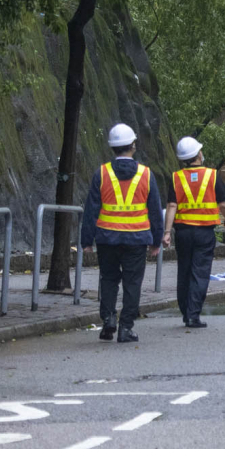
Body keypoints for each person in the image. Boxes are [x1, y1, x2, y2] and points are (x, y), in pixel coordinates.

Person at [81, 123, 163, 343]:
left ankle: (108, 319)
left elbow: (91, 209)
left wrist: (86, 240)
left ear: (112, 148)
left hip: (107, 238)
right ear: (133, 145)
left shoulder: (102, 173)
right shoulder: (146, 174)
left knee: (108, 280)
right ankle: (126, 328)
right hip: (137, 239)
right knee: (132, 283)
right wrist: (157, 241)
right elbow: (155, 211)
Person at [162, 136, 225, 329]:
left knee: (184, 271)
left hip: (183, 232)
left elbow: (171, 205)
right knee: (200, 272)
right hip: (204, 233)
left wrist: (167, 232)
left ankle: (186, 312)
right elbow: (224, 204)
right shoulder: (212, 175)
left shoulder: (177, 178)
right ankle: (193, 315)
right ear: (199, 154)